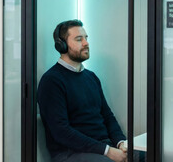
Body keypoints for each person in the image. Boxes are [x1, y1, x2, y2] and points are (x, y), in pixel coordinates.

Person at [38, 20, 142, 162]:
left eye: (86, 38)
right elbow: (61, 132)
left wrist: (121, 143)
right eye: (79, 39)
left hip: (102, 148)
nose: (86, 43)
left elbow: (107, 116)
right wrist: (107, 151)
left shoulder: (91, 77)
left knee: (149, 154)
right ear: (61, 45)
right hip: (70, 153)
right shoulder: (52, 80)